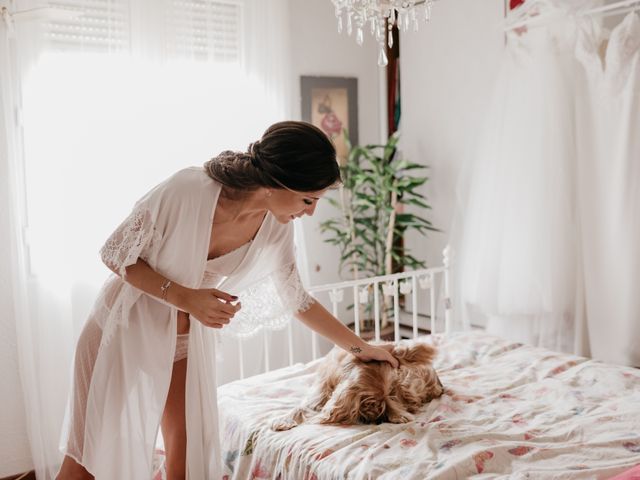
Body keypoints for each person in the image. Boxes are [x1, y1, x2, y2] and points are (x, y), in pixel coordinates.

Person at [56, 121, 399, 480]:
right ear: (279, 182)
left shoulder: (276, 226)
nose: (310, 212)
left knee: (187, 453)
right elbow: (115, 253)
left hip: (184, 338)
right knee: (87, 458)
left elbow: (297, 299)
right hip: (122, 323)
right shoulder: (187, 190)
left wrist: (360, 349)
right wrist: (187, 298)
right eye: (308, 199)